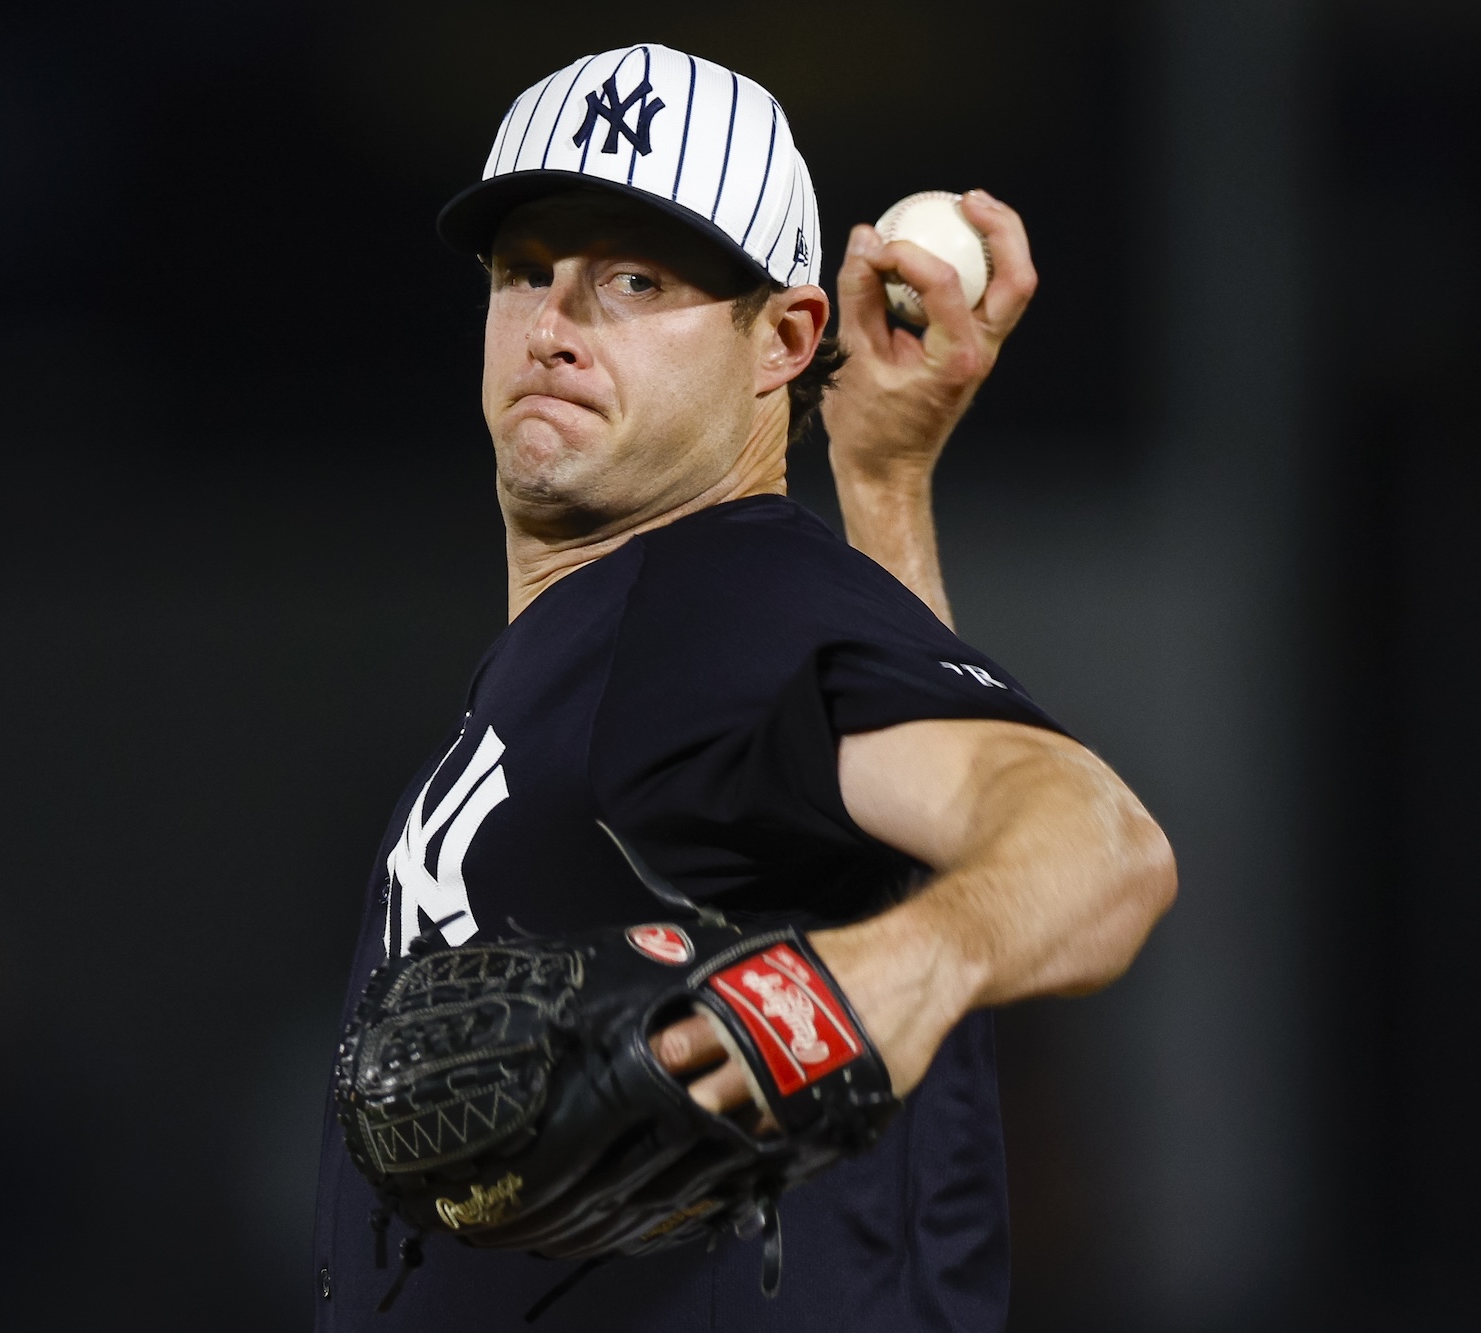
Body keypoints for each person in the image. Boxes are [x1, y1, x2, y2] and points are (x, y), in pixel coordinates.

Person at [311, 44, 1175, 1331]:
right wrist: (883, 486)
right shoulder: (635, 636)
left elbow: (1101, 845)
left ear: (783, 337)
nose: (553, 326)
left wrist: (887, 976)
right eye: (523, 272)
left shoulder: (699, 600)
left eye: (632, 280)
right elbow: (890, 851)